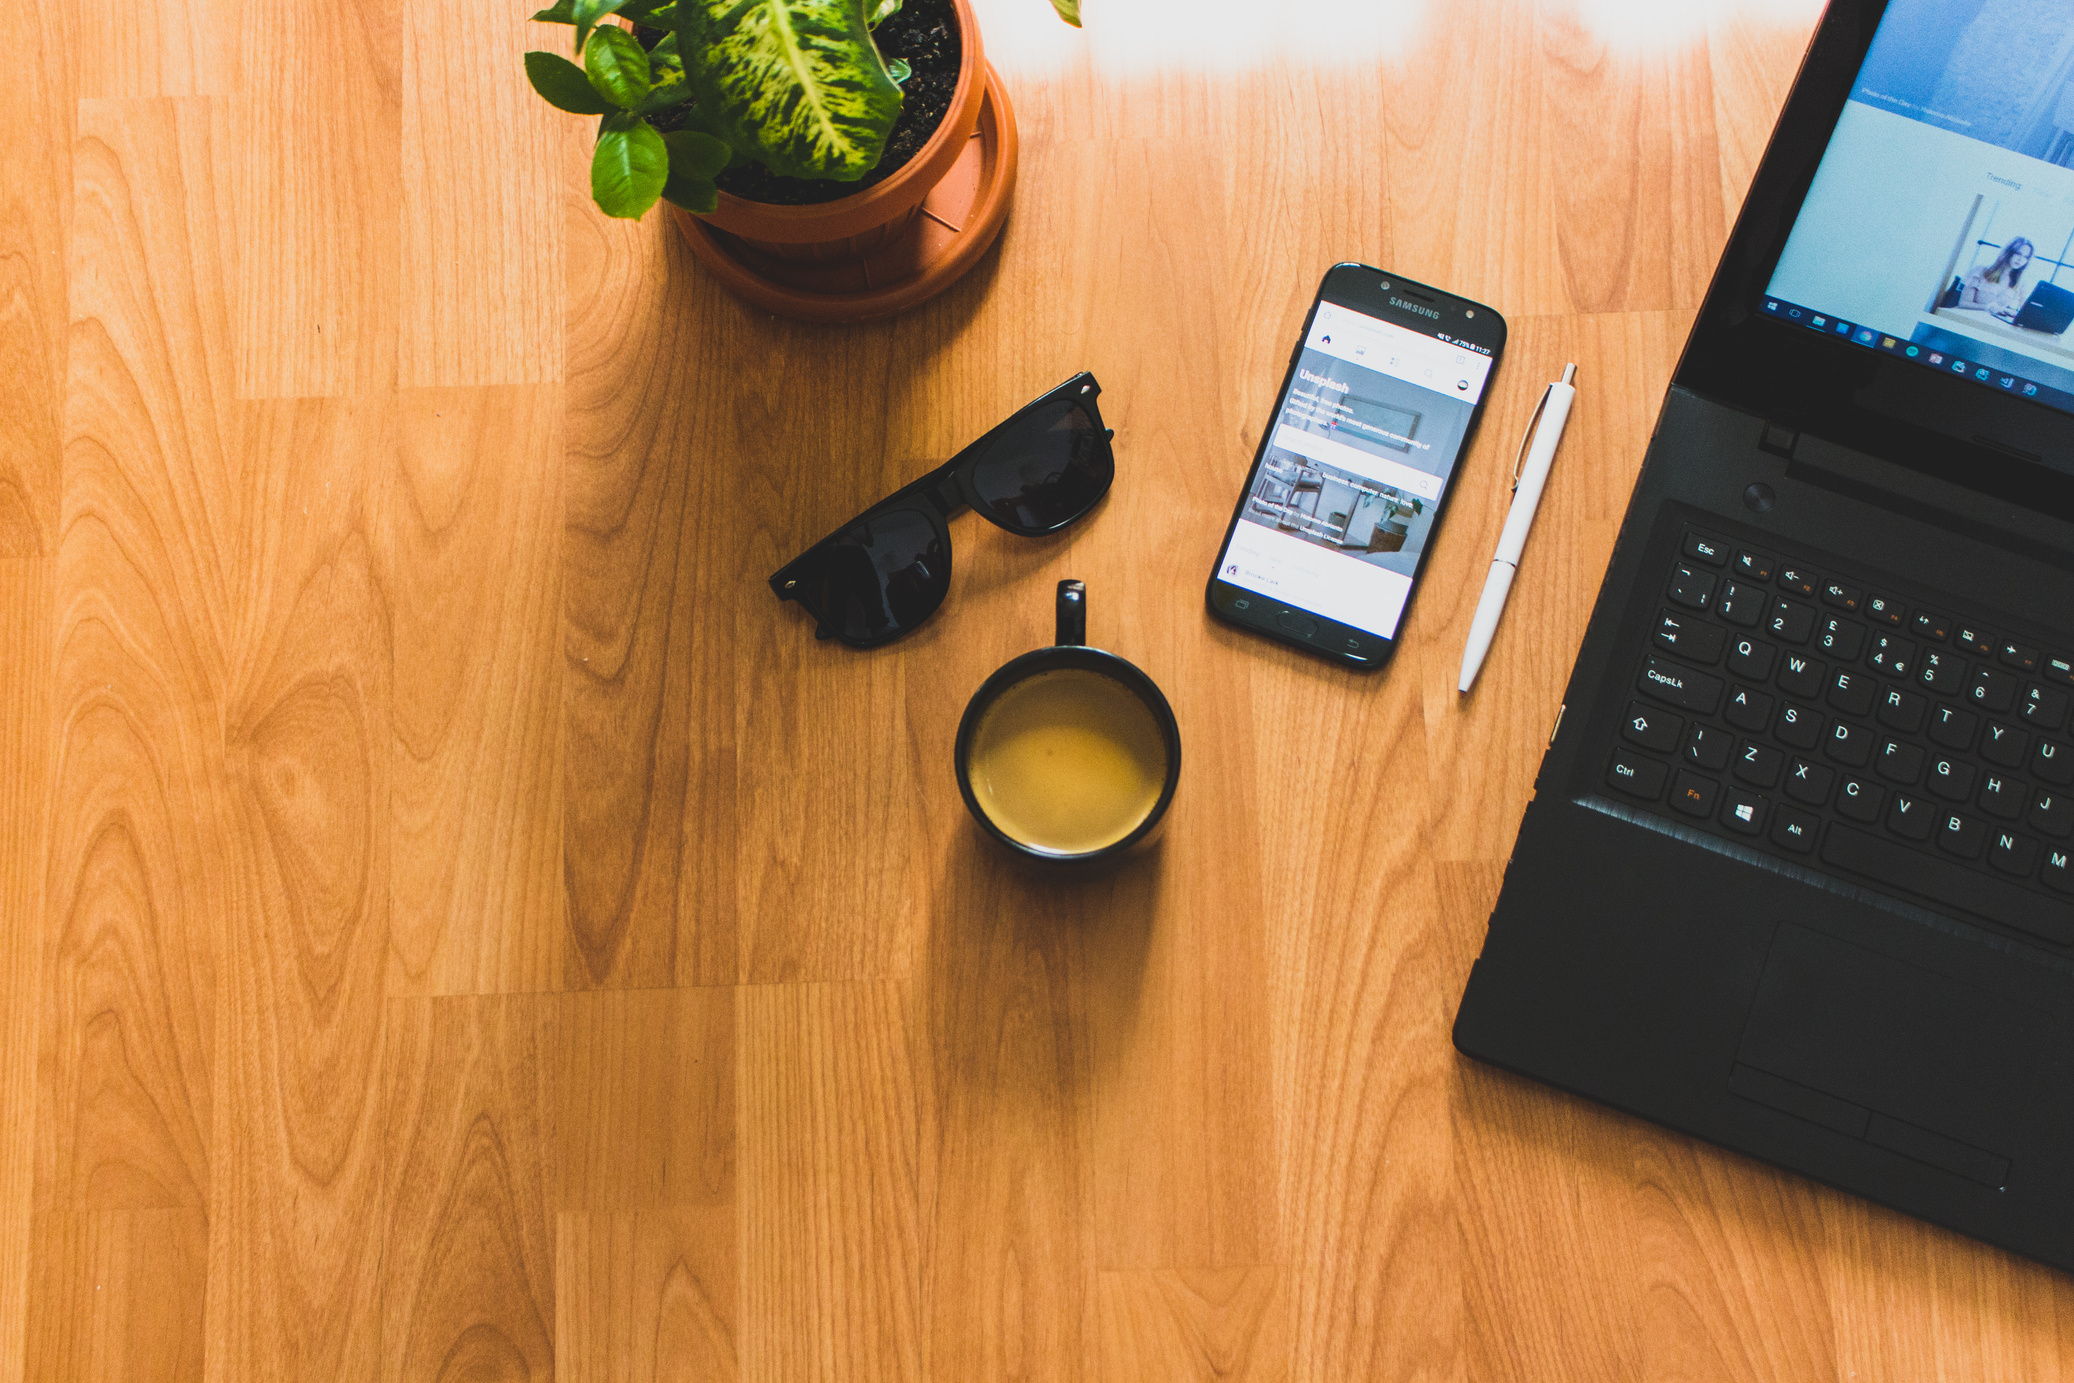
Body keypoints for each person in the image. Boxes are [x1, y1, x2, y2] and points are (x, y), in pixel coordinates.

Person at [1957, 237, 2034, 319]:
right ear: (2009, 252)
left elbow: (2026, 311)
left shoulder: (2020, 283)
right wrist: (1987, 307)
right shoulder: (1980, 271)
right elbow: (1963, 303)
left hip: (1991, 324)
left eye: (2026, 257)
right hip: (1965, 318)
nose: (2020, 259)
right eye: (2018, 253)